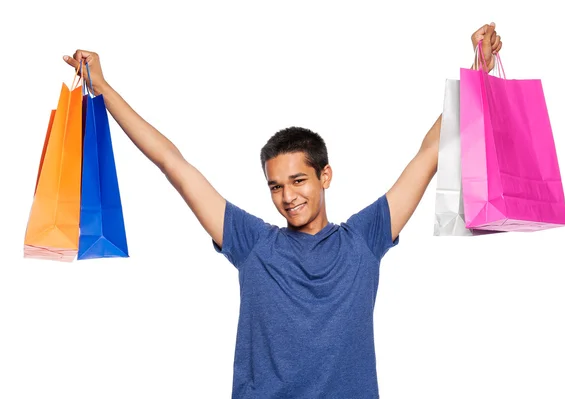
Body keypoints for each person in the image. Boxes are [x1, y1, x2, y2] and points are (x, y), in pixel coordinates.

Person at [64, 22, 502, 398]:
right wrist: (102, 87)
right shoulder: (252, 242)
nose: (287, 196)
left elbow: (428, 155)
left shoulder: (364, 239)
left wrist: (475, 74)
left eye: (298, 181)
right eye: (275, 186)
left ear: (324, 177)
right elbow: (173, 163)